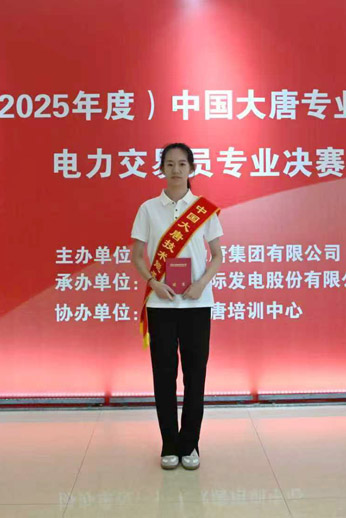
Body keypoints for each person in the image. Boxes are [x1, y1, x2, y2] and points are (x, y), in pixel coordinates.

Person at [130, 143, 224, 470]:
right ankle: (169, 443)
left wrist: (201, 284)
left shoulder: (204, 210)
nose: (175, 170)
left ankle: (190, 444)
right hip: (162, 304)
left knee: (195, 376)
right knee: (164, 375)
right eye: (169, 164)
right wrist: (153, 282)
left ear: (191, 169)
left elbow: (218, 255)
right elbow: (137, 256)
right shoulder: (148, 209)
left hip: (197, 304)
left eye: (182, 164)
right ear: (162, 169)